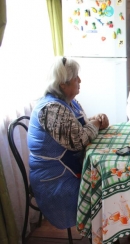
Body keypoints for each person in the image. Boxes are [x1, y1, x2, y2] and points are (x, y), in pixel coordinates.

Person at [28, 56, 109, 230]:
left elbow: (80, 127)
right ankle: (102, 232)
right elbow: (79, 140)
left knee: (107, 181)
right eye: (75, 78)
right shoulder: (52, 109)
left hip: (68, 170)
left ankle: (107, 230)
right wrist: (95, 124)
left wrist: (96, 120)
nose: (80, 80)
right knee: (105, 188)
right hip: (54, 181)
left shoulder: (68, 103)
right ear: (62, 84)